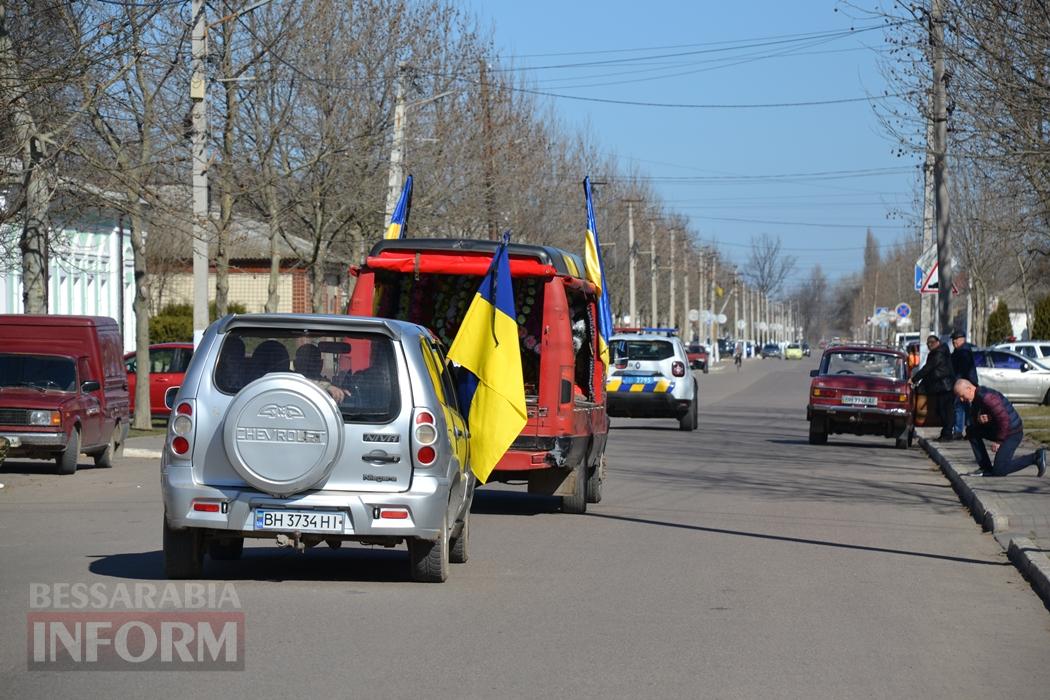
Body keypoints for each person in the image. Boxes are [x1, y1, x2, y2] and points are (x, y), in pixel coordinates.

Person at [953, 379, 1046, 477]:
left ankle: (1036, 457)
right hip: (1000, 430)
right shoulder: (975, 399)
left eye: (962, 396)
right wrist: (980, 419)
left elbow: (1004, 419)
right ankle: (985, 468)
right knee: (972, 431)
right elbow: (978, 420)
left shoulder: (987, 397)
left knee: (999, 470)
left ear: (969, 388)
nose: (962, 400)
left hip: (1012, 432)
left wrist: (999, 441)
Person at [910, 334, 955, 441]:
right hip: (940, 385)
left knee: (945, 411)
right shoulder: (939, 351)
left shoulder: (938, 353)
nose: (930, 345)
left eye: (932, 343)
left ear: (937, 342)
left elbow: (928, 368)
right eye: (928, 344)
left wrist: (914, 379)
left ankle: (947, 434)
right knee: (941, 410)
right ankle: (946, 433)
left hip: (944, 386)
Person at [949, 330, 979, 440]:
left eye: (955, 340)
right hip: (965, 384)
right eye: (953, 340)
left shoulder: (963, 352)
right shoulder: (960, 351)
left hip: (964, 385)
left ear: (962, 339)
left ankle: (959, 431)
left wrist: (957, 384)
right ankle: (969, 431)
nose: (953, 342)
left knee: (960, 408)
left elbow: (963, 371)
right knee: (966, 409)